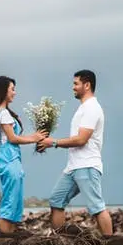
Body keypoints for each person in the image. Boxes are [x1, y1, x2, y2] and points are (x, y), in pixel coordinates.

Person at [37, 70, 113, 236]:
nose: (73, 87)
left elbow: (81, 139)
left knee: (97, 207)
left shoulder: (92, 108)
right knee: (56, 201)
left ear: (87, 85)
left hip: (87, 166)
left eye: (76, 84)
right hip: (73, 167)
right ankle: (60, 242)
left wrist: (54, 142)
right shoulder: (83, 108)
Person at [0, 76, 47, 233]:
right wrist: (34, 138)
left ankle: (10, 238)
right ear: (3, 91)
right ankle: (5, 240)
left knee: (14, 202)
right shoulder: (4, 114)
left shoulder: (2, 113)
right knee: (10, 202)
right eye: (12, 89)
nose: (15, 92)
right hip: (9, 160)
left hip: (11, 159)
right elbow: (13, 139)